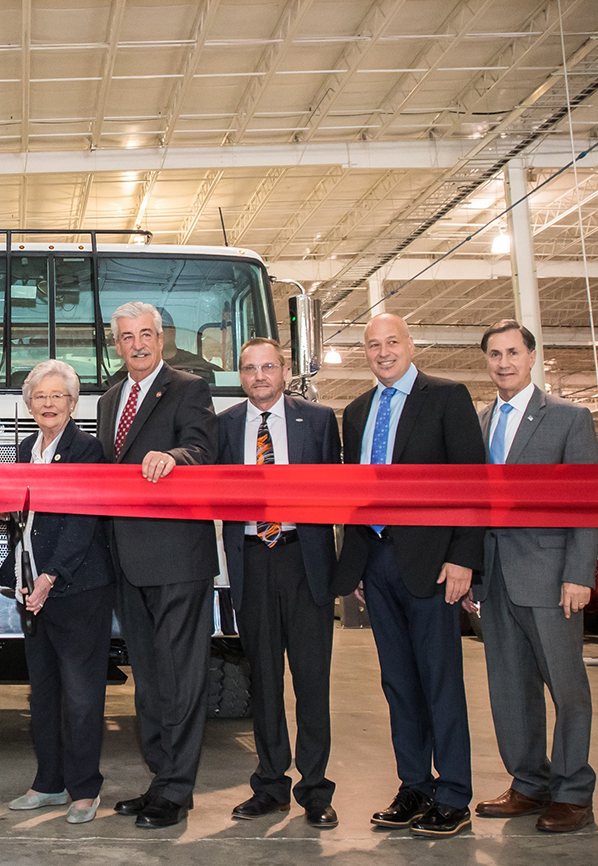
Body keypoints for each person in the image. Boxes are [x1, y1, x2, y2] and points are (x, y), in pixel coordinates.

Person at [337, 313, 485, 838]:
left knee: (440, 682)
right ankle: (415, 786)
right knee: (398, 683)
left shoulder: (447, 397)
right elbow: (355, 493)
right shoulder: (355, 412)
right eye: (373, 345)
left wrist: (465, 557)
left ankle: (454, 794)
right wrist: (353, 564)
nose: (382, 352)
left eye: (391, 342)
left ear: (410, 344)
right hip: (376, 562)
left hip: (434, 565)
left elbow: (473, 483)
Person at [465, 319, 598, 834]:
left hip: (551, 577)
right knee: (509, 687)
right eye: (494, 354)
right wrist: (473, 575)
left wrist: (578, 573)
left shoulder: (568, 419)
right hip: (495, 578)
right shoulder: (477, 422)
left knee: (567, 689)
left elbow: (590, 503)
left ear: (531, 357)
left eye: (512, 353)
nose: (503, 363)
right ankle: (528, 783)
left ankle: (572, 791)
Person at [95, 300, 219, 830]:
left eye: (146, 334)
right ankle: (160, 777)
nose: (137, 344)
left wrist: (175, 458)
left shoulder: (189, 387)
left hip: (176, 558)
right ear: (116, 344)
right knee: (147, 678)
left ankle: (177, 789)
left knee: (181, 676)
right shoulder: (107, 400)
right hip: (125, 559)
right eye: (126, 337)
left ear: (161, 338)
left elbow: (203, 447)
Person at [217, 338, 341, 829]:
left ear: (285, 370)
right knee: (264, 683)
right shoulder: (224, 426)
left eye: (269, 367)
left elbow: (337, 494)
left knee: (312, 684)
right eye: (250, 369)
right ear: (240, 375)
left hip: (304, 560)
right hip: (251, 560)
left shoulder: (319, 420)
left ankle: (315, 790)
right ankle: (270, 785)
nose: (260, 376)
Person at [4, 359, 117, 825]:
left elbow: (81, 521)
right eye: (40, 396)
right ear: (29, 404)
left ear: (73, 403)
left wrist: (50, 577)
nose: (48, 404)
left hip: (78, 588)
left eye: (58, 396)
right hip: (34, 591)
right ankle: (49, 783)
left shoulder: (88, 451)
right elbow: (19, 521)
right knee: (43, 693)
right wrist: (17, 576)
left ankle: (85, 789)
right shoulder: (26, 447)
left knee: (83, 694)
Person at [158, 306, 220, 379]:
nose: (158, 335)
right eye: (149, 333)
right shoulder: (145, 364)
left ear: (173, 331)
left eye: (162, 329)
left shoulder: (194, 362)